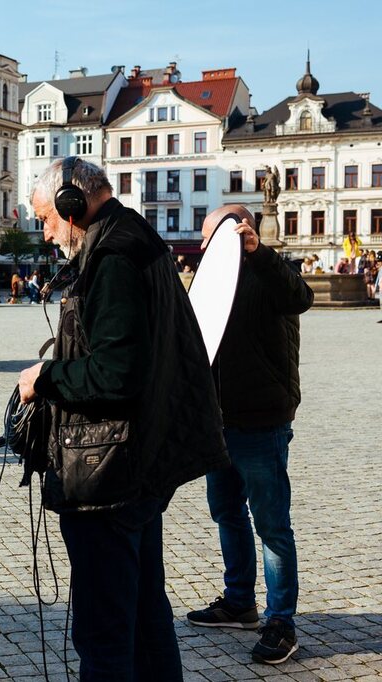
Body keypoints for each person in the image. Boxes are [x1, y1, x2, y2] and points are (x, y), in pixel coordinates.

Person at [17, 157, 228, 680]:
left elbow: (115, 373)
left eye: (46, 219)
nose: (46, 234)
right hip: (138, 463)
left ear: (71, 204)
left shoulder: (112, 256)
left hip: (109, 475)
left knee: (105, 630)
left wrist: (45, 377)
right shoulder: (134, 237)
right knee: (145, 616)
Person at [187, 204, 313, 666]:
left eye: (212, 238)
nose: (204, 247)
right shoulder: (211, 283)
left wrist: (260, 253)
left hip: (262, 421)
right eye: (204, 240)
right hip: (218, 421)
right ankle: (240, 602)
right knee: (226, 512)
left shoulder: (269, 274)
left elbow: (300, 296)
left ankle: (281, 622)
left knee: (272, 524)